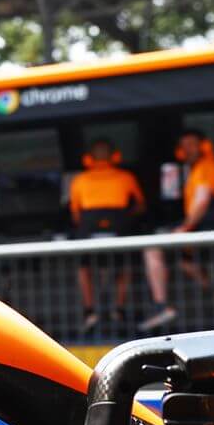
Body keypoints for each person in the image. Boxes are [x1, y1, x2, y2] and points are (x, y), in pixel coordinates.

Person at [141, 130, 214, 332]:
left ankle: (162, 307)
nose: (187, 150)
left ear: (204, 146)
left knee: (153, 249)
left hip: (208, 231)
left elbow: (201, 202)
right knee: (183, 260)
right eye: (183, 146)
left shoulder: (206, 167)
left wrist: (184, 228)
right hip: (207, 231)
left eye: (192, 144)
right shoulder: (203, 168)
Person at [69, 139, 145, 334]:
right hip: (120, 226)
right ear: (116, 157)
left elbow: (75, 214)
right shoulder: (127, 177)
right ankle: (118, 309)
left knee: (84, 268)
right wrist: (127, 218)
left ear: (88, 159)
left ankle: (90, 311)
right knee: (124, 266)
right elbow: (140, 205)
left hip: (88, 228)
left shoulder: (79, 180)